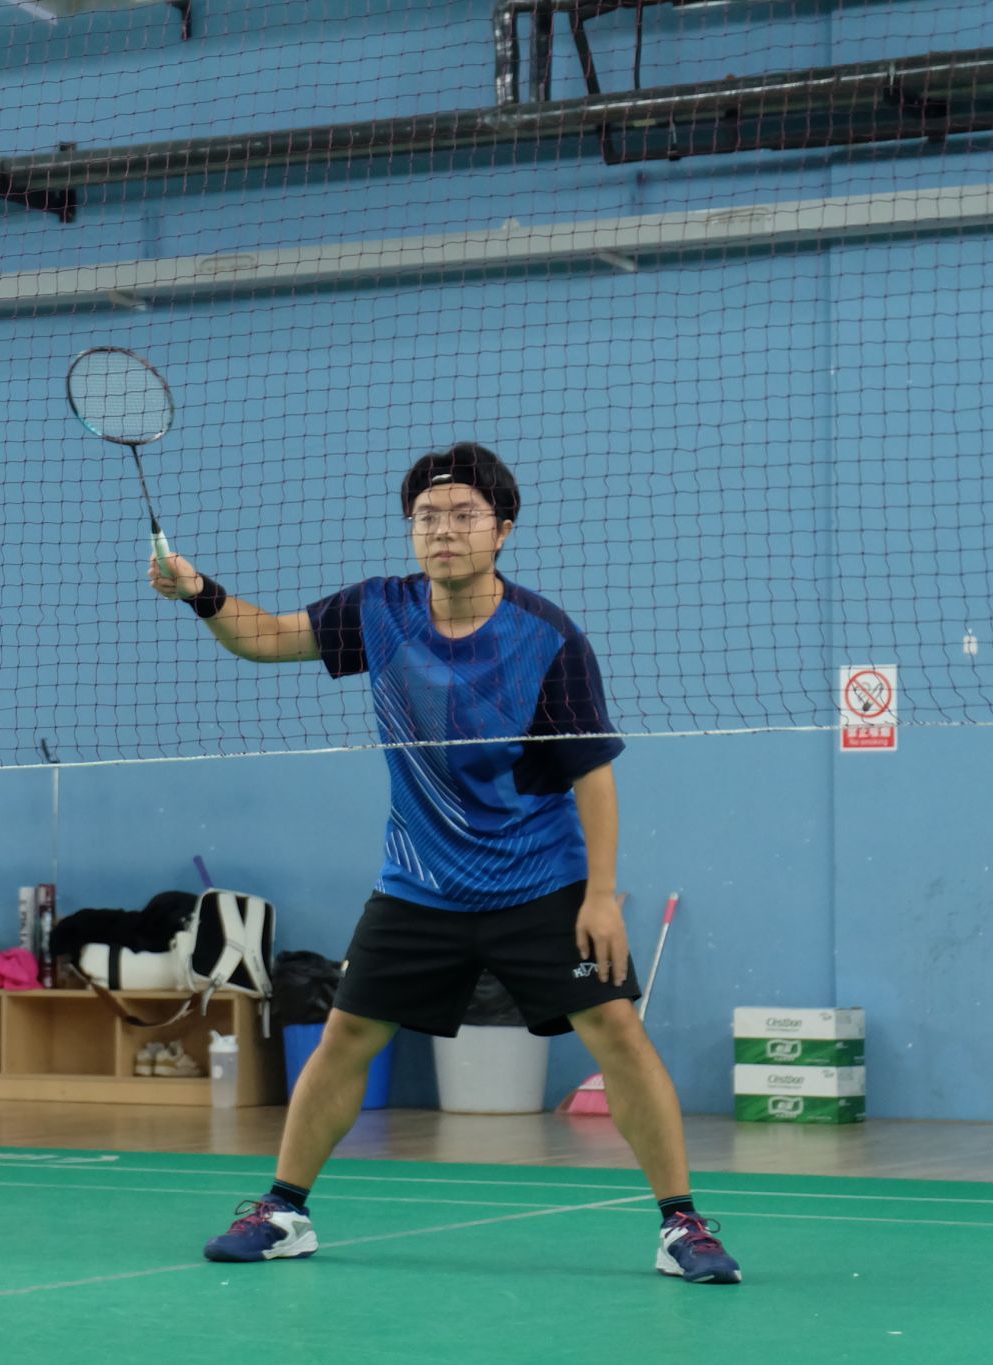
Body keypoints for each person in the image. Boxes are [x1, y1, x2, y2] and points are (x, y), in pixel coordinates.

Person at [158, 443, 741, 1285]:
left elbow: (593, 773)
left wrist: (601, 895)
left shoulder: (547, 638)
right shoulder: (379, 610)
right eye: (427, 517)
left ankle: (682, 1224)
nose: (443, 530)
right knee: (346, 1035)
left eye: (464, 515)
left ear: (503, 530)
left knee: (616, 1029)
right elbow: (268, 638)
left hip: (538, 881)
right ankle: (283, 1211)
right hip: (419, 885)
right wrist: (198, 591)